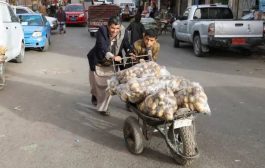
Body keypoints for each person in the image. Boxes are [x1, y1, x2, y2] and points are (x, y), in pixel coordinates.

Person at [87, 16, 131, 115]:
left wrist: (130, 52)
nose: (115, 31)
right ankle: (95, 95)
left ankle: (103, 108)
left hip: (111, 65)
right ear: (108, 26)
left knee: (109, 86)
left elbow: (127, 45)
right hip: (97, 61)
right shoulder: (102, 31)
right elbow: (101, 47)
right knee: (95, 86)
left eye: (117, 28)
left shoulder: (124, 32)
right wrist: (112, 56)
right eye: (112, 28)